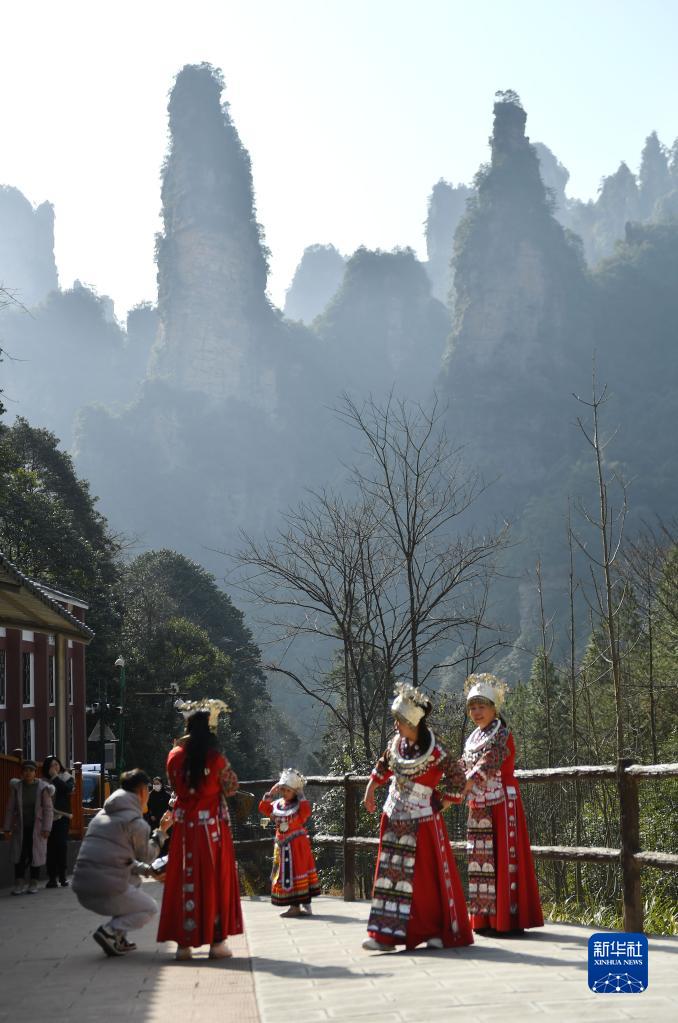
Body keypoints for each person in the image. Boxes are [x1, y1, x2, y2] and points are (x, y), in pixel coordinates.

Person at [362, 684, 473, 952]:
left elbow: (460, 781)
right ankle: (385, 936)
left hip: (423, 821)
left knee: (424, 880)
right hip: (394, 816)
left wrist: (445, 801)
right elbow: (382, 767)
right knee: (391, 876)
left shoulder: (436, 751)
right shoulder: (395, 746)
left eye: (399, 721)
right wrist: (370, 790)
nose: (396, 726)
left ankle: (434, 931)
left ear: (412, 722)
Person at [157, 698, 243, 961]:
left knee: (184, 879)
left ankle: (184, 944)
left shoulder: (174, 756)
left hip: (184, 828)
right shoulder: (215, 758)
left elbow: (175, 785)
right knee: (215, 879)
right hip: (212, 828)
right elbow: (232, 787)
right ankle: (216, 942)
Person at [460, 673, 544, 935]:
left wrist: (468, 781)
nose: (476, 712)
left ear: (494, 708)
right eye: (472, 707)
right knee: (481, 859)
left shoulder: (501, 734)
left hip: (501, 803)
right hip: (479, 804)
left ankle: (508, 920)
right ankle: (485, 919)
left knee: (502, 858)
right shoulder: (473, 737)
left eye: (481, 706)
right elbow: (465, 764)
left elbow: (489, 762)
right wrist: (453, 778)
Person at [72, 768, 172, 956]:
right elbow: (148, 856)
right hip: (105, 890)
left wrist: (148, 872)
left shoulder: (100, 816)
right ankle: (110, 931)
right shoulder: (136, 823)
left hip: (82, 888)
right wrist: (161, 831)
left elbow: (120, 860)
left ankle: (119, 938)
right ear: (143, 791)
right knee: (149, 908)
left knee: (134, 882)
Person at [259, 768, 320, 917]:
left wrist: (301, 795)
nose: (284, 792)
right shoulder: (278, 804)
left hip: (297, 846)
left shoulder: (299, 807)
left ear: (295, 792)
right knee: (287, 874)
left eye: (288, 790)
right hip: (283, 845)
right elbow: (263, 808)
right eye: (283, 790)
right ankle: (295, 906)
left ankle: (296, 906)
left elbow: (306, 813)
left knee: (296, 873)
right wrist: (271, 792)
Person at [3, 759, 54, 894]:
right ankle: (19, 883)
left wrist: (46, 828)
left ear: (35, 772)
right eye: (25, 770)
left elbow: (48, 809)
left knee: (34, 855)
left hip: (37, 829)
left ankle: (34, 882)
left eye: (31, 770)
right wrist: (7, 827)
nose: (28, 773)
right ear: (22, 773)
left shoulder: (42, 788)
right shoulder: (17, 787)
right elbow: (10, 808)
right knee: (19, 855)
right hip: (20, 828)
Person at [42, 756, 75, 888]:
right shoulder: (43, 781)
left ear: (60, 766)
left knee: (61, 845)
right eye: (51, 765)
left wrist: (55, 778)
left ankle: (62, 876)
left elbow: (66, 790)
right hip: (47, 816)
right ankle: (51, 878)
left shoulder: (68, 778)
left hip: (62, 816)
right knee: (50, 847)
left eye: (56, 764)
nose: (54, 767)